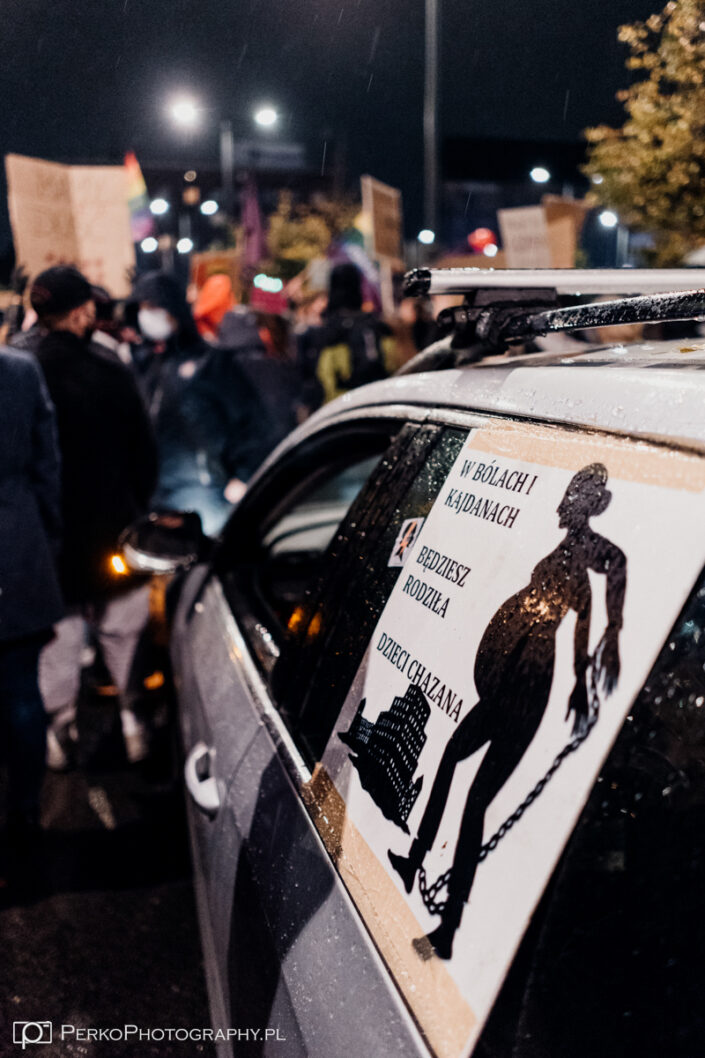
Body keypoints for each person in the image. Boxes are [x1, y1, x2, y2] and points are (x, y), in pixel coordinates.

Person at [388, 464, 627, 960]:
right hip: (507, 683)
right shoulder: (565, 553)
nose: (567, 502)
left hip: (526, 686)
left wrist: (607, 641)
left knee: (476, 798)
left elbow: (596, 600)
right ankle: (416, 859)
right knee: (451, 758)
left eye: (576, 496)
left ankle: (450, 924)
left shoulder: (583, 562)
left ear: (586, 504)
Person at [30, 265, 158, 767]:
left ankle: (58, 730)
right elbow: (144, 456)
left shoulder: (20, 370)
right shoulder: (109, 370)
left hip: (50, 539)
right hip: (112, 530)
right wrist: (134, 507)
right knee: (123, 630)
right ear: (83, 309)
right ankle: (132, 721)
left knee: (57, 638)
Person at [130, 271, 274, 535]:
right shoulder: (147, 366)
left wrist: (243, 475)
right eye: (142, 308)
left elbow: (249, 420)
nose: (146, 315)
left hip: (207, 494)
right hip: (158, 499)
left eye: (153, 307)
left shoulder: (212, 362)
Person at [0, 345, 63, 834]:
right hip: (16, 542)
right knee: (22, 690)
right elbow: (47, 464)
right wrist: (47, 535)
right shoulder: (20, 370)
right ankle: (24, 807)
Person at [304, 263, 397, 409]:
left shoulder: (329, 330)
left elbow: (323, 377)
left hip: (341, 408)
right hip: (377, 402)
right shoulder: (375, 325)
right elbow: (392, 364)